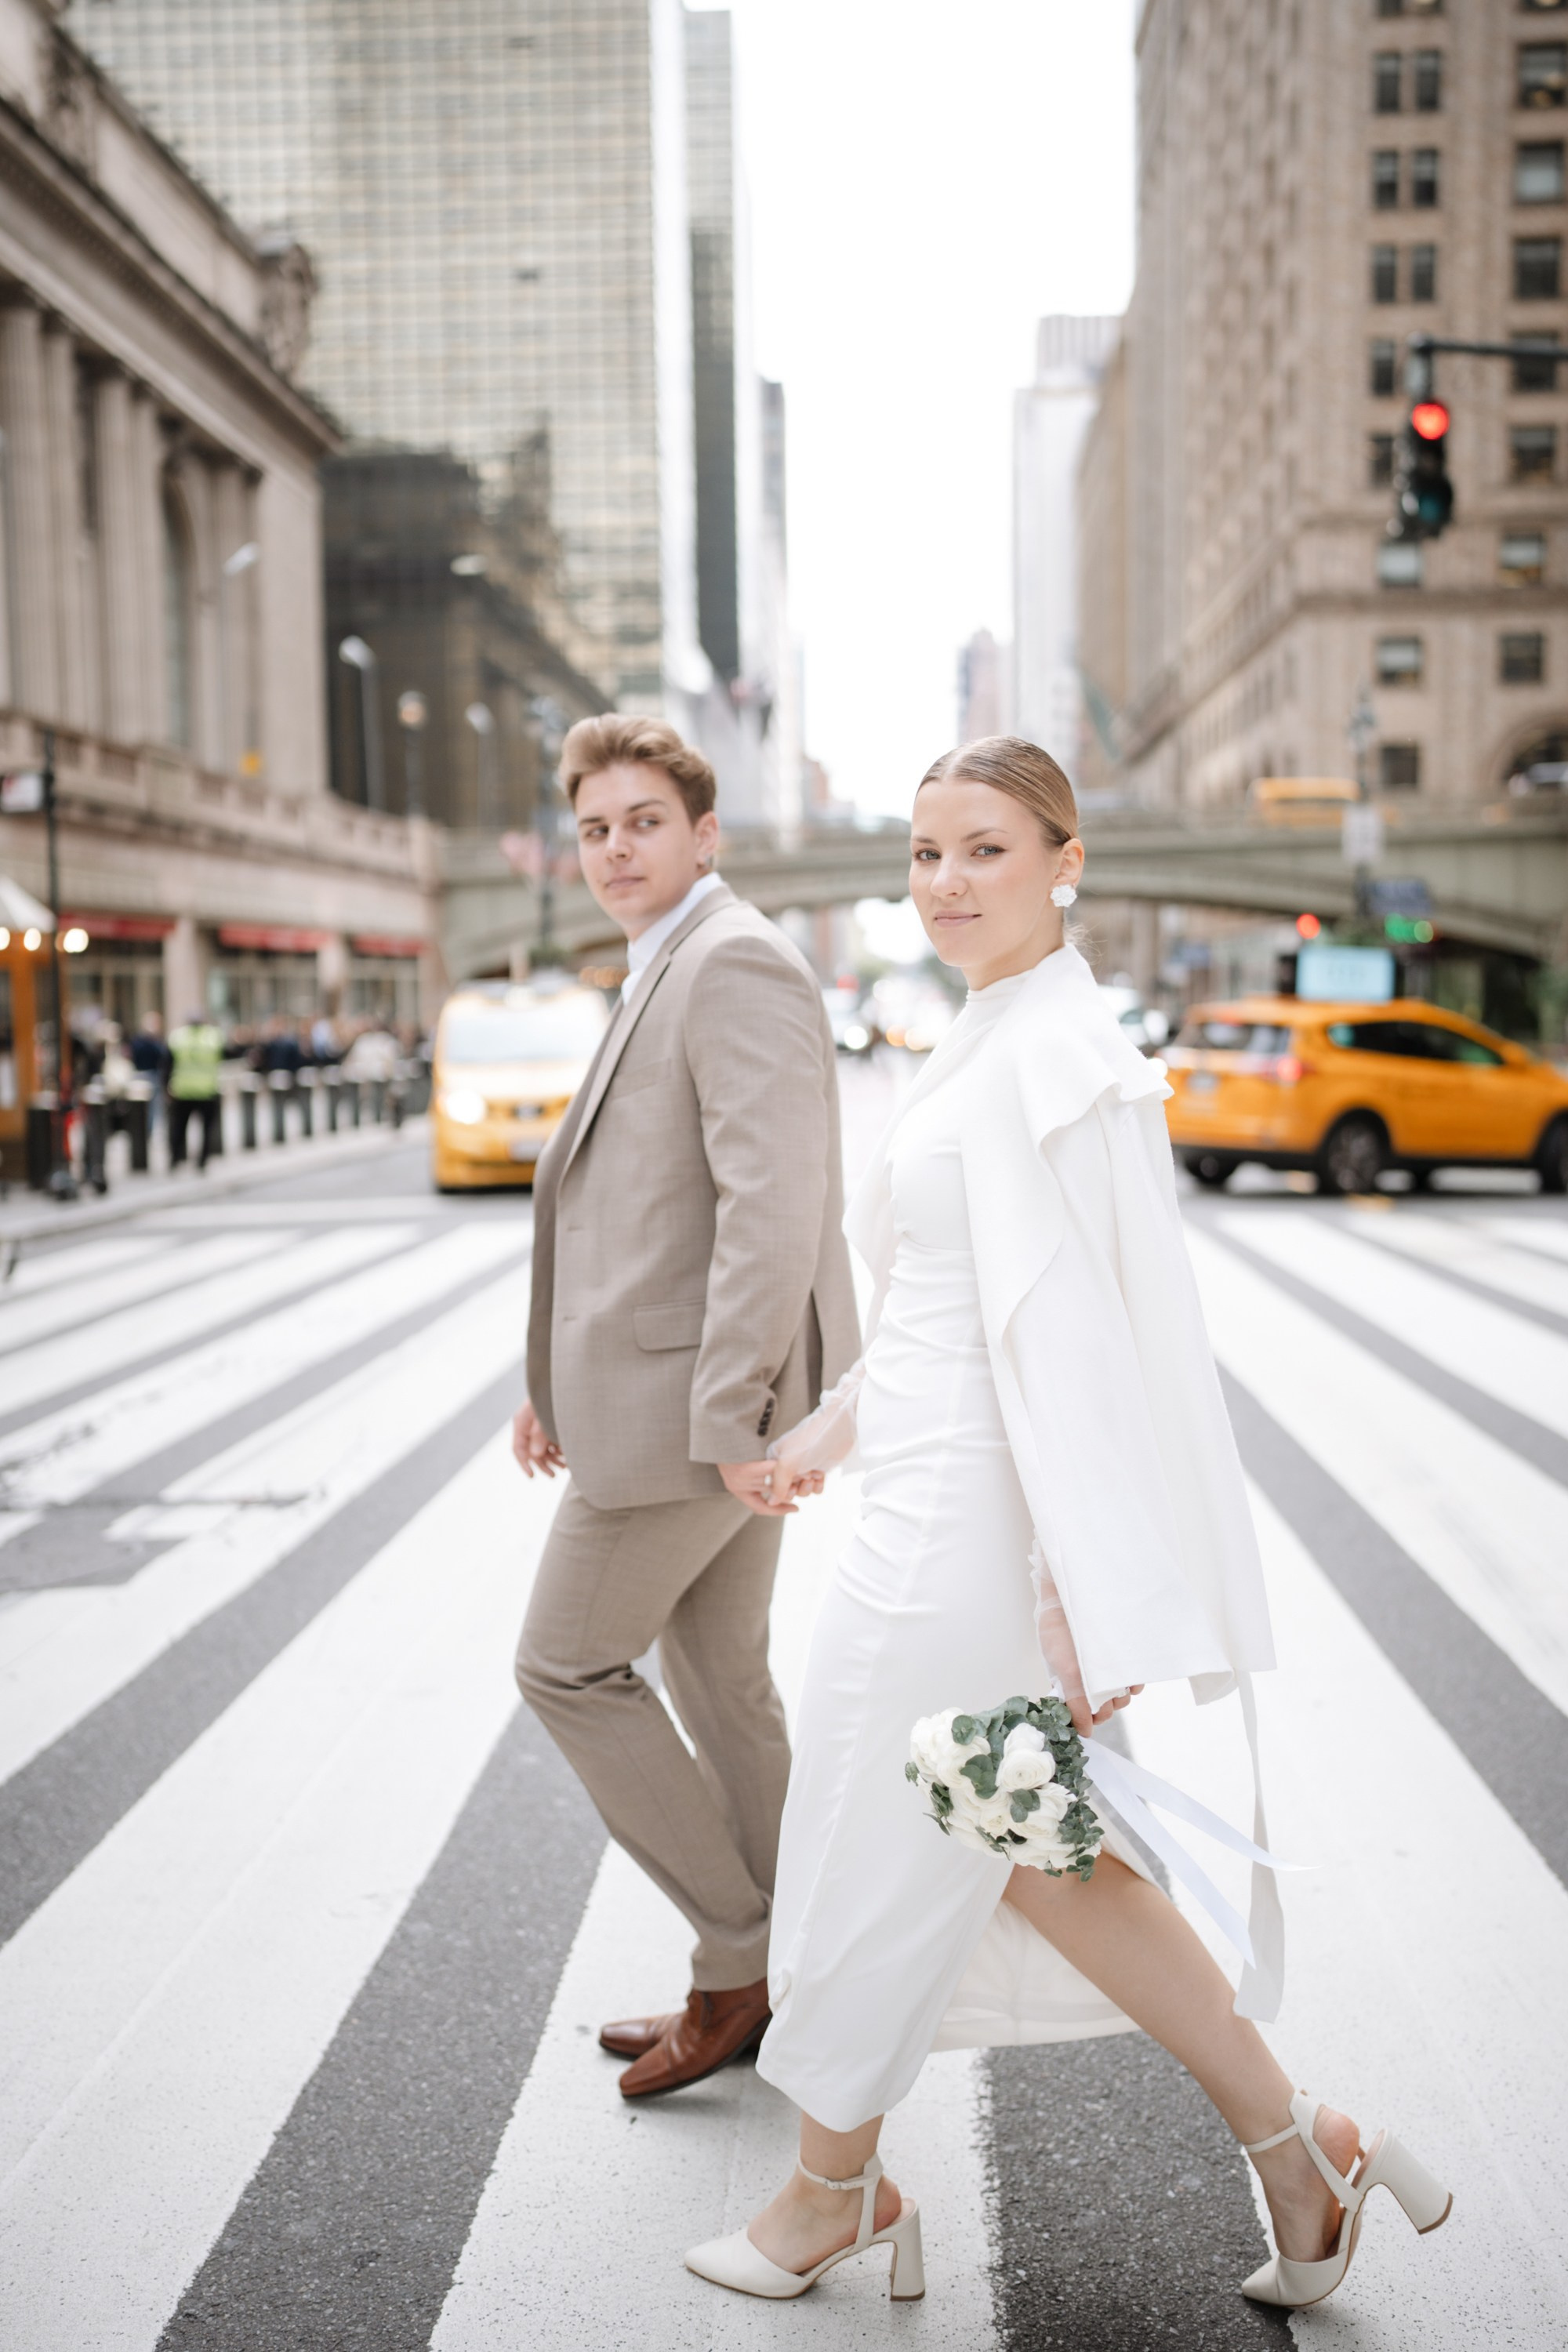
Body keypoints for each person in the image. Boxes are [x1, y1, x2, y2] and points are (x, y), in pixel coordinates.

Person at [684, 738, 1451, 2314]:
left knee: (881, 1837)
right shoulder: (981, 1036)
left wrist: (1070, 1594)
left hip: (980, 1546)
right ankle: (1299, 2145)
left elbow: (1103, 1346)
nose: (947, 883)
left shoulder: (1066, 1055)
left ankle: (832, 2190)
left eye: (983, 850)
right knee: (1031, 1848)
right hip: (915, 1507)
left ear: (1064, 860)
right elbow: (936, 1322)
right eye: (922, 855)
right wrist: (824, 1436)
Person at [511, 713, 859, 2101]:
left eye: (643, 821)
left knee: (564, 1666)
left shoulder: (733, 965)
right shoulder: (668, 962)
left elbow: (775, 1211)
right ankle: (803, 1968)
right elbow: (632, 1212)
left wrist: (728, 1419)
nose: (614, 849)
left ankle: (739, 1958)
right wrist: (546, 1383)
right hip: (674, 1397)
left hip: (701, 1416)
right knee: (721, 1679)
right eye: (595, 828)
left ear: (704, 833)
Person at [165, 1009, 225, 1171]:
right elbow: (226, 1055)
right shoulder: (213, 1037)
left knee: (179, 1128)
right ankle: (202, 1160)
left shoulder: (178, 1038)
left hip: (183, 1090)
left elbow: (167, 1064)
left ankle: (175, 1159)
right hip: (207, 1091)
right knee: (206, 1129)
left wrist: (167, 1086)